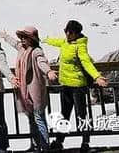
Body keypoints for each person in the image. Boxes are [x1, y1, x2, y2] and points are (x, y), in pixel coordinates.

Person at [44, 20, 108, 152]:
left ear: (77, 33)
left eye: (70, 32)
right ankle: (59, 141)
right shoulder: (65, 42)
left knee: (81, 115)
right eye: (66, 31)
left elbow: (86, 62)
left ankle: (85, 142)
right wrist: (44, 39)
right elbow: (55, 41)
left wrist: (97, 76)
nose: (67, 34)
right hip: (65, 85)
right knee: (64, 114)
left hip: (78, 86)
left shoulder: (81, 46)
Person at [2, 27, 57, 153]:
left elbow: (41, 62)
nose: (21, 40)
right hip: (25, 91)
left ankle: (45, 147)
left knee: (38, 118)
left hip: (35, 90)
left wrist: (48, 71)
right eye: (21, 37)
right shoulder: (22, 48)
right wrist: (5, 36)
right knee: (32, 119)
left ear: (31, 39)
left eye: (24, 37)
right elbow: (14, 43)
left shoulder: (36, 51)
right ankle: (35, 145)